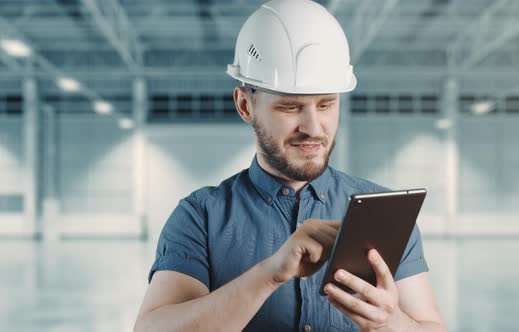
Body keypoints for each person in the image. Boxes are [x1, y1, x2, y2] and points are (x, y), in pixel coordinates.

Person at [134, 0, 446, 331]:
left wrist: (390, 322)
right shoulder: (201, 217)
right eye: (290, 107)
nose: (313, 127)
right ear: (245, 105)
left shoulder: (384, 213)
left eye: (326, 104)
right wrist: (271, 273)